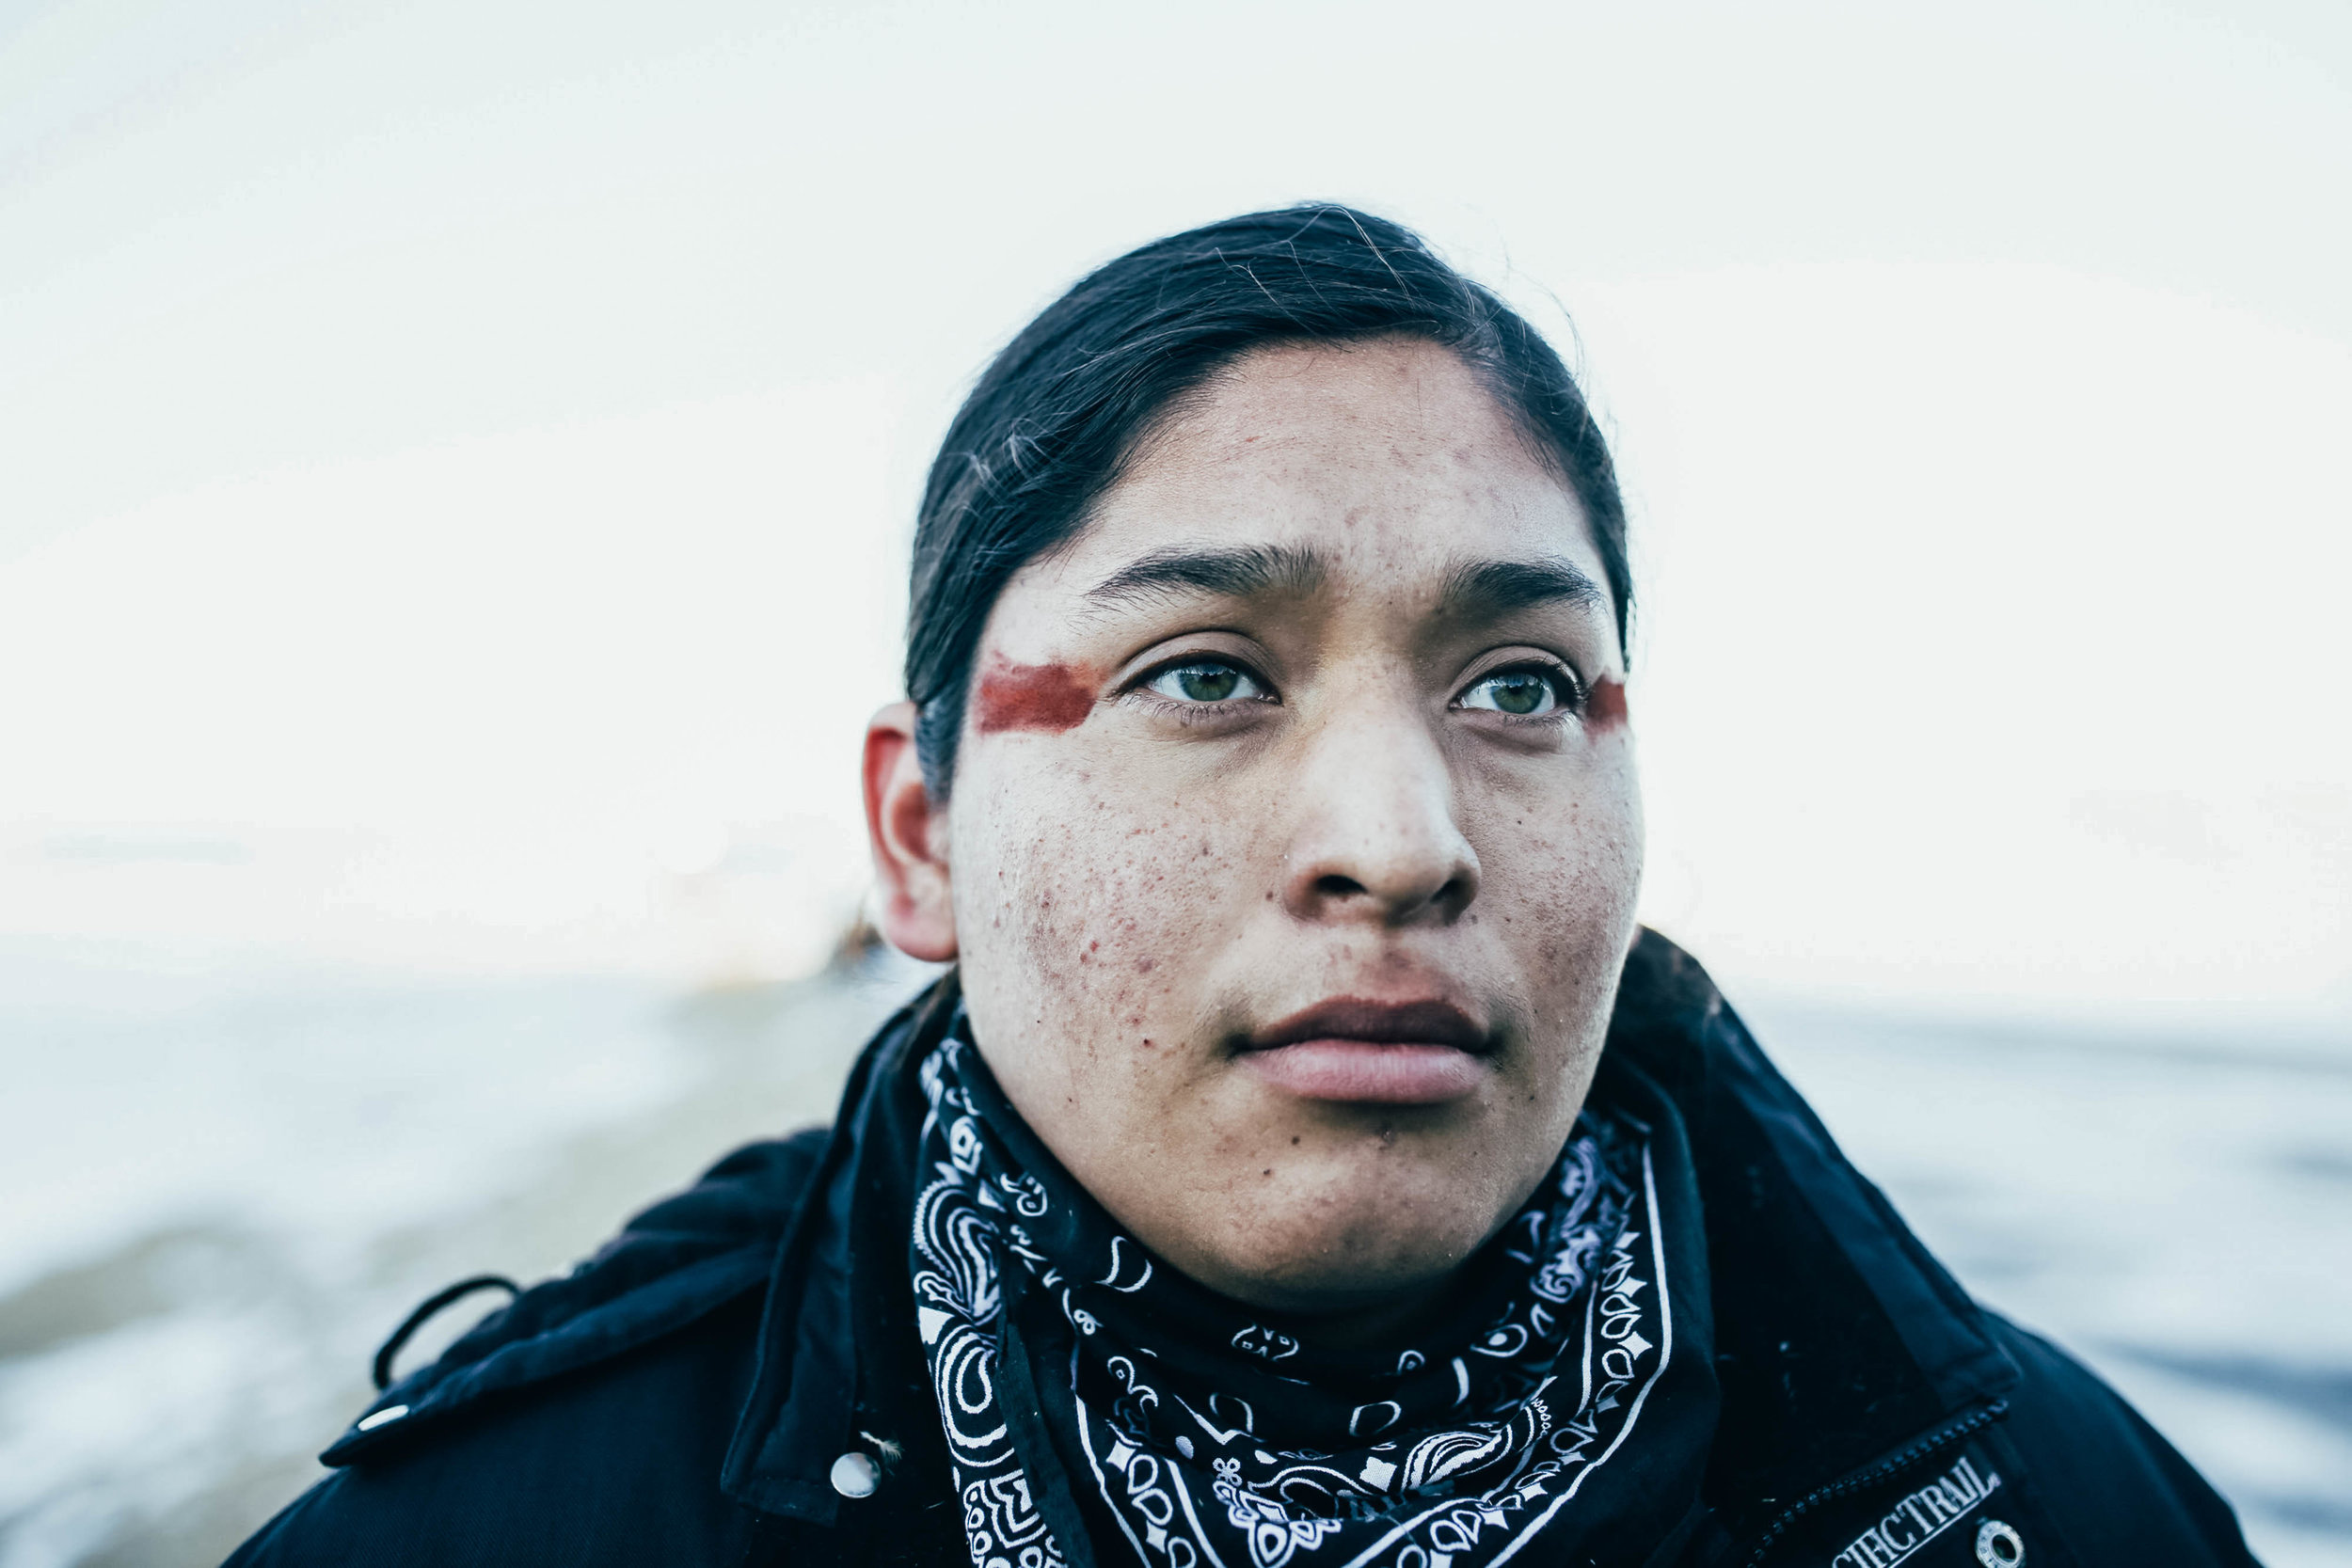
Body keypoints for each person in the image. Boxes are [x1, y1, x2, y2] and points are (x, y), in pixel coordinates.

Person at [224, 206, 2259, 1567]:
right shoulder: (489, 1536)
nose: (1398, 838)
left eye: (1519, 686)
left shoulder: (2039, 1510)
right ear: (919, 839)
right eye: (1202, 674)